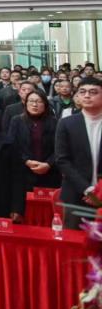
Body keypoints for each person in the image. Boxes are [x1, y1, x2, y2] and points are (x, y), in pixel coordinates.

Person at [55, 77, 102, 228]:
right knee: (75, 239)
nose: (87, 95)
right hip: (76, 195)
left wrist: (100, 191)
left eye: (93, 92)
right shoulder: (66, 123)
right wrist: (87, 189)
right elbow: (62, 160)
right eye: (82, 92)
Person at [9, 90, 59, 190]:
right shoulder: (17, 121)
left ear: (45, 104)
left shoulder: (55, 122)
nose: (34, 105)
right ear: (26, 103)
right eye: (31, 101)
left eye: (39, 101)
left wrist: (48, 164)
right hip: (23, 172)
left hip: (50, 172)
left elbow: (60, 147)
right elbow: (12, 145)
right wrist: (26, 161)